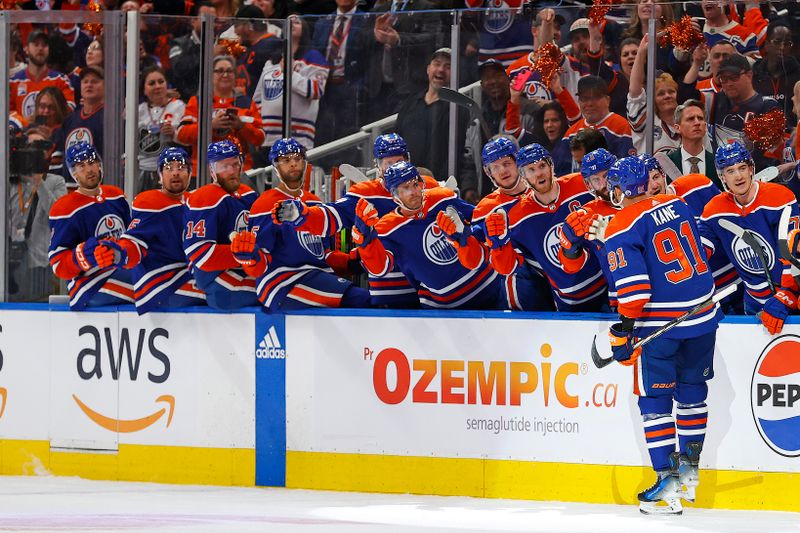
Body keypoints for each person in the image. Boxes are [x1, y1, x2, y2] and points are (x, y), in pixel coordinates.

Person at [602, 155, 722, 515]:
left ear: (620, 189)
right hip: (703, 317)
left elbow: (635, 293)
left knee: (654, 404)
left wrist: (623, 334)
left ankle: (668, 486)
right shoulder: (677, 202)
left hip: (661, 329)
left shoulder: (620, 226)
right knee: (692, 396)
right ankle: (688, 478)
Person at [271, 133, 438, 308]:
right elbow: (331, 216)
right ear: (378, 166)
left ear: (408, 160)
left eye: (398, 161)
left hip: (427, 290)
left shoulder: (427, 188)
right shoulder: (365, 194)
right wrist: (303, 215)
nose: (394, 168)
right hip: (389, 293)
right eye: (388, 163)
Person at [238, 138, 371, 311]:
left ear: (305, 162)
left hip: (316, 277)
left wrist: (352, 261)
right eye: (286, 160)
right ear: (276, 168)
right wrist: (250, 258)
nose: (293, 164)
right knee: (362, 299)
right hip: (282, 282)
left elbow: (322, 254)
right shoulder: (265, 204)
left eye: (297, 158)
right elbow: (261, 260)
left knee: (371, 297)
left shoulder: (314, 202)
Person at [355, 161, 503, 309]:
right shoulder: (387, 228)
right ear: (394, 195)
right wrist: (366, 243)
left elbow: (480, 221)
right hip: (442, 310)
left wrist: (467, 233)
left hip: (491, 289)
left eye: (415, 184)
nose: (414, 192)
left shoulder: (442, 197)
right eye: (406, 188)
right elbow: (380, 269)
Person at [486, 143, 607, 311]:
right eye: (531, 169)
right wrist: (497, 246)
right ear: (523, 176)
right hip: (567, 304)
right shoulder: (517, 217)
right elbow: (508, 268)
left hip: (606, 290)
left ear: (551, 165)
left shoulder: (580, 185)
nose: (539, 173)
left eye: (542, 165)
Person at [94, 147, 205, 314]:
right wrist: (118, 252)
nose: (175, 173)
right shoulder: (151, 202)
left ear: (190, 174)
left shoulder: (196, 202)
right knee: (212, 291)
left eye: (181, 168)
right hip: (161, 281)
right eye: (168, 168)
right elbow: (133, 241)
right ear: (160, 177)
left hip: (186, 274)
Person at [699, 142, 799, 329]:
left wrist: (787, 295)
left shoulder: (780, 198)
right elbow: (698, 254)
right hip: (752, 304)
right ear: (722, 177)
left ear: (751, 169)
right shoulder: (714, 209)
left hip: (788, 301)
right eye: (730, 171)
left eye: (742, 168)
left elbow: (793, 254)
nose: (738, 176)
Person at [455, 139, 553, 310]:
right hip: (523, 290)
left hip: (559, 275)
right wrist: (461, 240)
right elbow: (477, 259)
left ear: (518, 162)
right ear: (489, 173)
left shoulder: (542, 190)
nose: (502, 171)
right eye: (495, 167)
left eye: (506, 163)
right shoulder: (486, 208)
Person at [48, 142, 134, 310]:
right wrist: (87, 256)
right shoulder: (65, 208)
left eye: (92, 162)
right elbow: (59, 264)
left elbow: (130, 237)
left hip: (121, 270)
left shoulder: (115, 195)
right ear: (74, 173)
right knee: (150, 289)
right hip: (89, 284)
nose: (89, 170)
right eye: (81, 166)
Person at [182, 140, 259, 310]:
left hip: (243, 271)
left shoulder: (249, 194)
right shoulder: (205, 198)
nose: (231, 171)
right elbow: (200, 254)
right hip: (217, 280)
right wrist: (244, 255)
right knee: (276, 292)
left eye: (234, 164)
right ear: (212, 171)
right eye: (224, 166)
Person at [177, 55, 265, 175]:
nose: (225, 75)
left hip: (239, 171)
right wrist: (210, 126)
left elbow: (260, 138)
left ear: (235, 76)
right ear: (210, 75)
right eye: (219, 71)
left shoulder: (246, 103)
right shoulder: (198, 102)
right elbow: (182, 134)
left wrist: (241, 126)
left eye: (229, 71)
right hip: (204, 171)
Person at [253, 15, 329, 153]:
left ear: (305, 29)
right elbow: (258, 97)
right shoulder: (272, 60)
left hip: (298, 137)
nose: (292, 24)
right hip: (267, 137)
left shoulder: (314, 57)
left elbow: (316, 90)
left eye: (297, 22)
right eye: (289, 22)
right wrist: (258, 127)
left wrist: (289, 73)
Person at [7, 127, 67, 302]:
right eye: (29, 148)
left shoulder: (55, 182)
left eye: (37, 149)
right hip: (11, 262)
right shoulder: (10, 181)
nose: (32, 154)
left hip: (41, 263)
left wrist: (39, 183)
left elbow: (58, 215)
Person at [395, 47, 469, 181]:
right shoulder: (410, 104)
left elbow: (459, 153)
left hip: (439, 187)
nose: (441, 69)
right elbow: (398, 141)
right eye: (437, 64)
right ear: (428, 69)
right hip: (406, 184)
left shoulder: (458, 109)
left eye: (448, 66)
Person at [559, 148, 619, 307]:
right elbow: (571, 267)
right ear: (588, 184)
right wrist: (569, 248)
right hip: (621, 297)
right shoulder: (587, 215)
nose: (604, 183)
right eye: (596, 179)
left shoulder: (638, 196)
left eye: (607, 175)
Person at [703, 54, 781, 170]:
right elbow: (685, 97)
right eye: (724, 79)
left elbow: (772, 154)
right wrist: (695, 64)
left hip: (758, 176)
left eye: (734, 77)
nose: (729, 83)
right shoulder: (715, 101)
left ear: (749, 75)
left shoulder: (768, 106)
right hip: (722, 176)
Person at [627, 34, 680, 156]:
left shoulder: (686, 122)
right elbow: (635, 93)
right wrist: (640, 53)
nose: (667, 96)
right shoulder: (647, 121)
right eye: (661, 93)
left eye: (671, 91)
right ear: (652, 100)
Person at [562, 75, 635, 163]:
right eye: (584, 98)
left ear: (607, 100)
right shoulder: (571, 133)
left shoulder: (621, 127)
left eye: (595, 98)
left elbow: (627, 166)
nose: (589, 103)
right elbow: (562, 169)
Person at [53, 66, 105, 185]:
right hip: (70, 189)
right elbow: (58, 159)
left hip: (98, 191)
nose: (89, 85)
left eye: (94, 81)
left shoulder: (111, 120)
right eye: (85, 82)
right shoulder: (70, 120)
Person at [138, 67, 186, 193]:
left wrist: (174, 134)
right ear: (144, 89)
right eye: (151, 83)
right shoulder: (138, 110)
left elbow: (190, 139)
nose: (157, 86)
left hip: (171, 171)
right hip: (141, 170)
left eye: (161, 81)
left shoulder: (178, 106)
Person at [10, 29, 75, 120]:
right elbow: (7, 113)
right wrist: (26, 123)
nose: (40, 48)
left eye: (44, 45)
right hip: (23, 133)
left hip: (53, 133)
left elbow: (70, 108)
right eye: (36, 44)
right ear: (26, 49)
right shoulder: (13, 82)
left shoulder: (61, 80)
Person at [665, 100, 721, 188]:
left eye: (700, 118)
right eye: (690, 119)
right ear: (677, 128)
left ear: (705, 126)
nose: (697, 123)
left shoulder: (718, 163)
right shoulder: (667, 164)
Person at [233, 4, 282, 98]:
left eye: (236, 24)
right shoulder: (251, 47)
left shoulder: (270, 46)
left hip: (258, 109)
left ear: (249, 25)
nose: (235, 30)